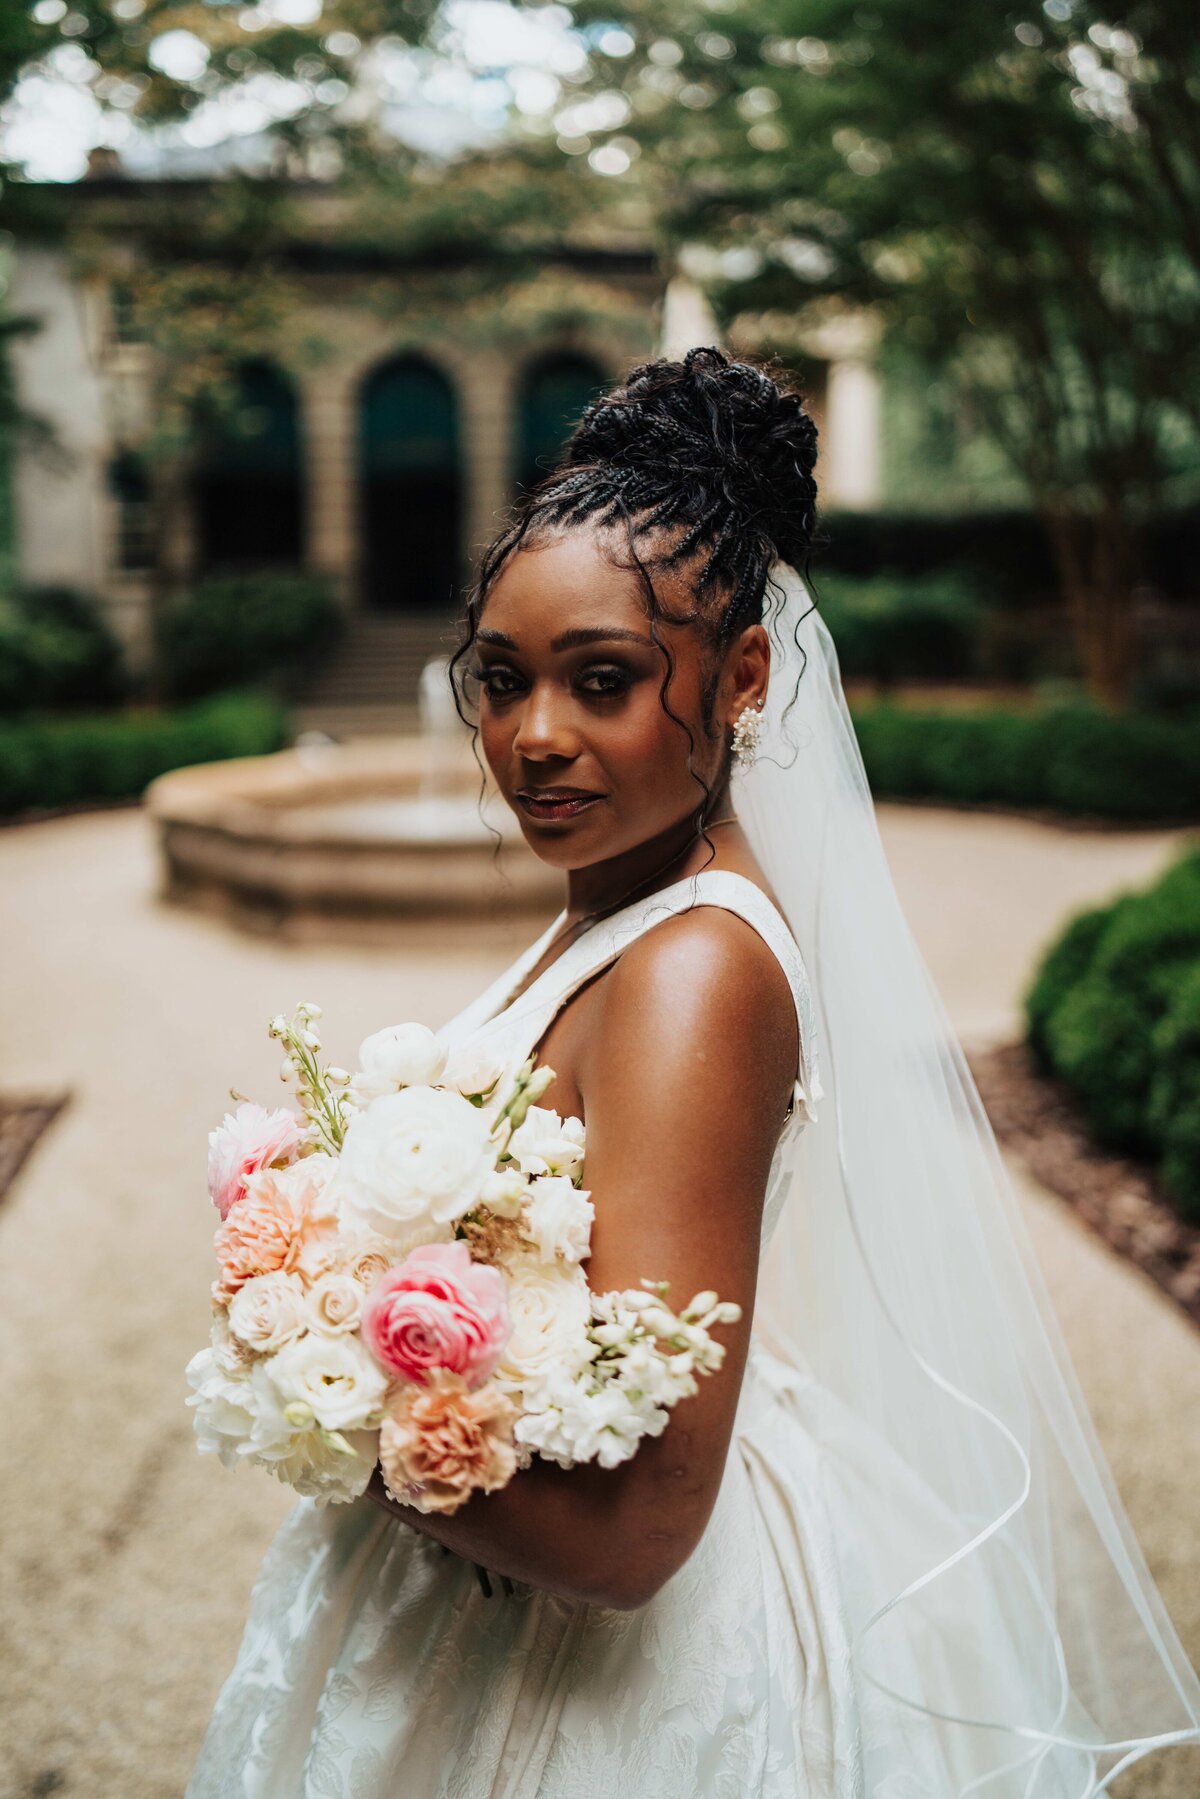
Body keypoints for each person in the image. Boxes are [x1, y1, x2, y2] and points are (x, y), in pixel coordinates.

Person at [188, 349, 1200, 1797]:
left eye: (603, 681)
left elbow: (634, 1536)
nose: (535, 738)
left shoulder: (690, 976)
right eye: (500, 680)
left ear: (741, 678)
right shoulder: (628, 886)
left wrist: (326, 1390)